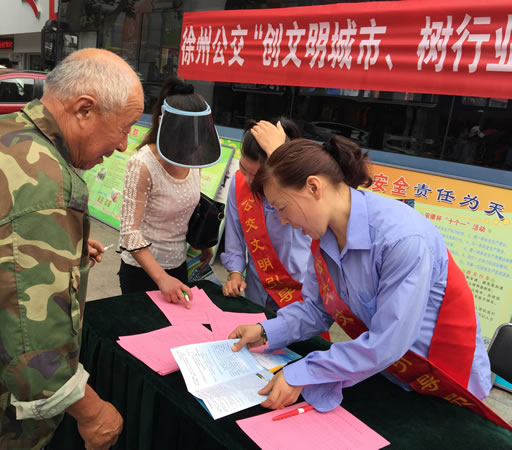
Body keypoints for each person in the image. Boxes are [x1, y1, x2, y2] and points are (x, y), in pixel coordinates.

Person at [0, 48, 144, 449]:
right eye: (124, 128)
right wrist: (92, 413)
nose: (124, 145)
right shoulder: (43, 186)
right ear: (84, 110)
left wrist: (61, 249)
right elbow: (35, 351)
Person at [229, 136, 505, 427]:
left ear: (314, 187)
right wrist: (266, 331)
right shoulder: (325, 237)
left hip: (441, 381)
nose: (284, 222)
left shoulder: (402, 239)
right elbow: (318, 308)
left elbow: (389, 341)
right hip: (387, 372)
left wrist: (302, 372)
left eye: (283, 208)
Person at [118, 76, 218, 307]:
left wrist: (203, 244)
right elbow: (129, 232)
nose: (191, 147)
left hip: (179, 266)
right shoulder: (142, 164)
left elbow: (190, 206)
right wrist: (161, 278)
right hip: (142, 272)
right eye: (186, 138)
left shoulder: (194, 159)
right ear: (164, 124)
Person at [221, 118, 312, 311]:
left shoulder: (301, 188)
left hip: (299, 291)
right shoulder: (240, 184)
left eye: (257, 176)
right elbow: (234, 236)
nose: (248, 179)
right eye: (243, 168)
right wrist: (235, 275)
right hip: (258, 288)